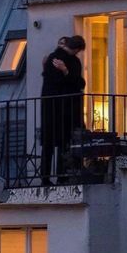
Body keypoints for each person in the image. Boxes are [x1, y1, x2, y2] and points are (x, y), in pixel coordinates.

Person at [40, 35, 86, 185]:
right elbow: (79, 83)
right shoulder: (73, 61)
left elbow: (49, 81)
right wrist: (66, 72)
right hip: (65, 107)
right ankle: (61, 175)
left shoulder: (51, 58)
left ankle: (45, 177)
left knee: (48, 144)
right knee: (63, 143)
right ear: (77, 49)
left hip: (49, 106)